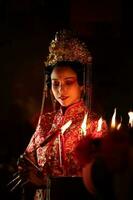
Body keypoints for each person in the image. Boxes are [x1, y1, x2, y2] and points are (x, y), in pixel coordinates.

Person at [16, 29, 107, 200]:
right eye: (55, 84)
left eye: (68, 82)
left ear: (82, 86)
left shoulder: (95, 123)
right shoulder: (45, 121)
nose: (60, 90)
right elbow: (29, 159)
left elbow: (102, 173)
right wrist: (26, 169)